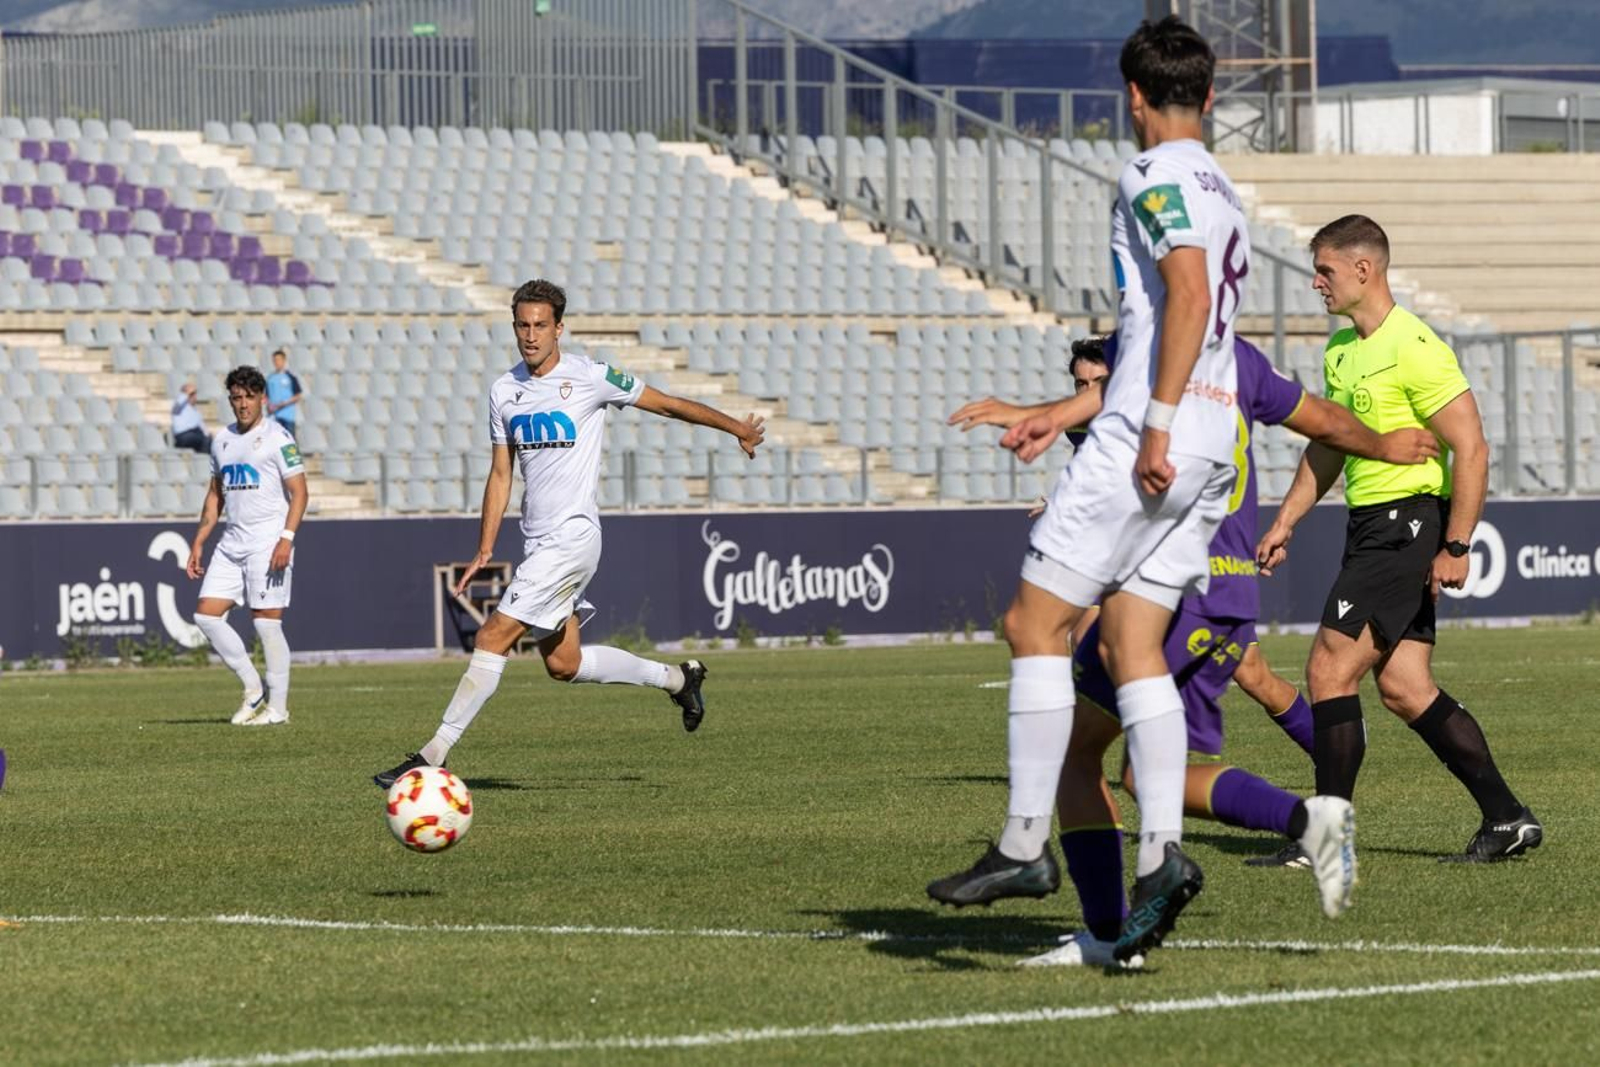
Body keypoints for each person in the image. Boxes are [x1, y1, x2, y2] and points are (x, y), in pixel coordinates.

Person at [926, 16, 1269, 964]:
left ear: (1132, 96)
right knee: (1131, 642)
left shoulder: (1150, 174)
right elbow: (1204, 303)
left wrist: (1146, 421)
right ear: (1207, 95)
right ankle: (1161, 854)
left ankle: (1025, 843)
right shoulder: (1224, 186)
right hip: (1210, 444)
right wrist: (1087, 409)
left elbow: (1189, 297)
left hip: (1150, 436)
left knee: (1031, 625)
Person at [944, 334, 1438, 964]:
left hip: (1174, 587)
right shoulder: (1241, 359)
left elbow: (1118, 409)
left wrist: (1038, 415)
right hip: (1225, 592)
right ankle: (1303, 823)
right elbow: (1321, 418)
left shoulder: (1156, 354)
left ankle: (1109, 930)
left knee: (1079, 752)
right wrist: (1385, 444)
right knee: (1140, 772)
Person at [373, 279, 766, 788]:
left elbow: (667, 404)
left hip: (575, 537)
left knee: (492, 637)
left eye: (540, 325)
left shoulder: (591, 376)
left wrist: (736, 427)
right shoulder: (504, 391)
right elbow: (500, 475)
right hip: (537, 542)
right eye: (522, 325)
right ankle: (677, 679)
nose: (530, 335)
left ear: (560, 328)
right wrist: (485, 547)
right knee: (564, 663)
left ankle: (433, 754)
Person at [1256, 214, 1541, 863]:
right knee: (1405, 686)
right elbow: (1330, 448)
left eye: (1325, 270)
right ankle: (1506, 817)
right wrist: (1287, 518)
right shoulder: (1339, 350)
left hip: (1407, 523)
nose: (1316, 282)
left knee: (1328, 668)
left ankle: (1324, 841)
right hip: (1370, 527)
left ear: (1365, 269)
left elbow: (1471, 446)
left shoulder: (1415, 345)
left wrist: (1459, 544)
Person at [186, 366, 308, 727]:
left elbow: (300, 492)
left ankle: (279, 708)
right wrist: (198, 542)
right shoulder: (222, 439)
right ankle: (253, 687)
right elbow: (215, 495)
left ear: (262, 400)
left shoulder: (278, 437)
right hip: (232, 541)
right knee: (206, 615)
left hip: (268, 541)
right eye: (236, 398)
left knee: (267, 625)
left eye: (249, 397)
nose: (242, 404)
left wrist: (286, 539)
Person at [265, 349, 306, 440]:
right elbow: (266, 396)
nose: (277, 362)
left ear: (284, 361)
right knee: (275, 443)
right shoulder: (270, 378)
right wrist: (268, 406)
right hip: (274, 417)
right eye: (275, 360)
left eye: (279, 360)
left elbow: (298, 395)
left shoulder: (290, 377)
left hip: (287, 416)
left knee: (289, 443)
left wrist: (283, 403)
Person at [171, 381, 209, 453]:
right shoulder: (179, 407)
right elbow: (178, 404)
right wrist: (186, 393)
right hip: (183, 436)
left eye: (195, 394)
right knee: (204, 440)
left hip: (196, 434)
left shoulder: (195, 411)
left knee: (210, 440)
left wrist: (208, 434)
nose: (194, 396)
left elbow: (202, 426)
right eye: (192, 394)